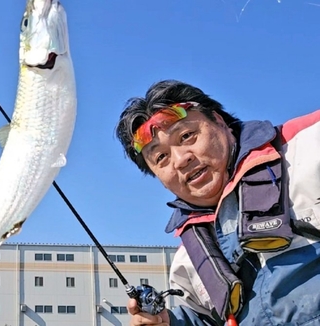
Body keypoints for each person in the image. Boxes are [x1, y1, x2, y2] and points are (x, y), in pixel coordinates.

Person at [115, 80, 320, 326]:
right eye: (161, 157)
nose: (181, 159)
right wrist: (168, 322)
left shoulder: (307, 147)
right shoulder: (188, 261)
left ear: (219, 121)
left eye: (187, 136)